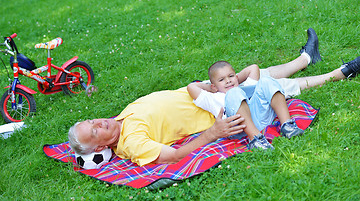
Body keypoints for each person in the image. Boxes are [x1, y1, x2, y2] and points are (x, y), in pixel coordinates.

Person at [68, 28, 360, 166]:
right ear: (102, 144)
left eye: (92, 120)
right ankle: (341, 73)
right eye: (95, 131)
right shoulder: (130, 142)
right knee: (271, 85)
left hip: (202, 92)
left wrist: (200, 86)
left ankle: (307, 58)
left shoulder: (121, 117)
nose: (99, 123)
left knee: (258, 72)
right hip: (219, 109)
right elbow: (170, 156)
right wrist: (212, 133)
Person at [187, 61, 304, 151]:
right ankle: (256, 140)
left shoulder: (245, 86)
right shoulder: (213, 98)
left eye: (231, 76)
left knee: (267, 81)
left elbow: (253, 68)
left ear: (237, 77)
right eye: (222, 79)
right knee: (233, 93)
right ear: (213, 86)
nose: (228, 81)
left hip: (261, 118)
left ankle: (287, 125)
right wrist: (215, 89)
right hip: (239, 129)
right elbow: (191, 87)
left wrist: (236, 81)